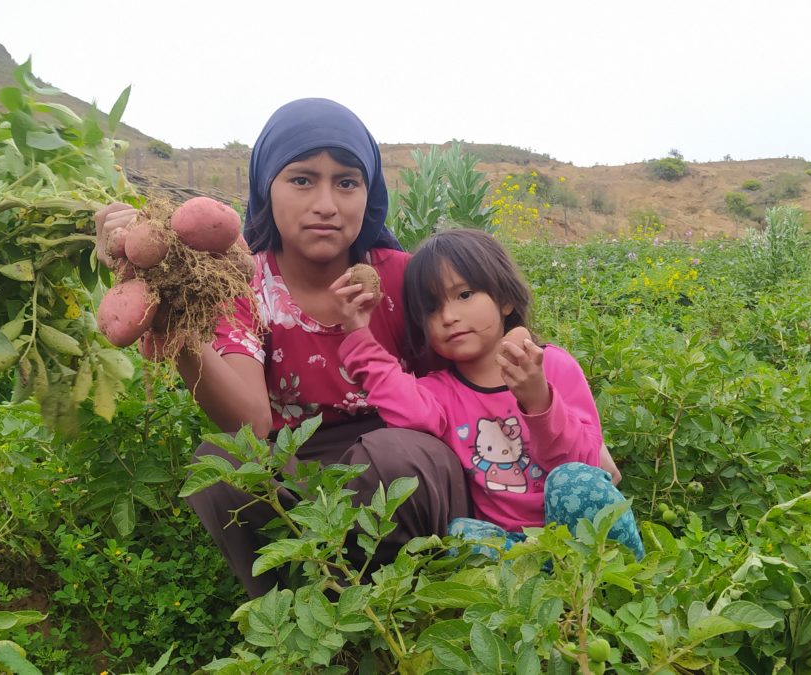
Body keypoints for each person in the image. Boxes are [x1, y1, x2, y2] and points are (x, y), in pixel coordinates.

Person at [95, 98, 472, 598]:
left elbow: (484, 365)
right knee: (221, 464)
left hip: (408, 455)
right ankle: (299, 609)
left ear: (369, 192)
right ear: (264, 189)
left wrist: (563, 419)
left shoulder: (403, 277)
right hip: (300, 466)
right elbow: (250, 425)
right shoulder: (244, 285)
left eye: (346, 182)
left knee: (392, 455)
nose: (326, 204)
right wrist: (175, 327)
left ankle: (411, 592)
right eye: (301, 179)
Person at [331, 228, 644, 558]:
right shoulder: (440, 390)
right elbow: (407, 408)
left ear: (505, 299)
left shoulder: (551, 366)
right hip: (514, 546)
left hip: (579, 535)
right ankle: (540, 589)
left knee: (573, 480)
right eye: (432, 308)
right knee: (460, 536)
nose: (449, 317)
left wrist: (539, 402)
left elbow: (589, 466)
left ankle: (616, 576)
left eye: (464, 295)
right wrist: (357, 335)